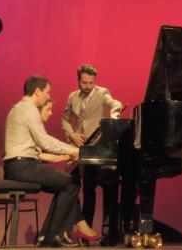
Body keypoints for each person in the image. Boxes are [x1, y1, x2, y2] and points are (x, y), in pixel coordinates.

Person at [3, 75, 100, 247]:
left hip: (19, 165)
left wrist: (69, 153)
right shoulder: (28, 108)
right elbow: (45, 142)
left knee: (64, 185)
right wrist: (75, 150)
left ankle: (46, 236)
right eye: (47, 92)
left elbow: (41, 148)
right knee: (71, 184)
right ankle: (52, 235)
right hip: (22, 165)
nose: (49, 96)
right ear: (38, 91)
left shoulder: (21, 108)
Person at [61, 64, 123, 240]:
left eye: (91, 82)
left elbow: (114, 102)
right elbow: (65, 119)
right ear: (78, 80)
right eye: (84, 82)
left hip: (95, 149)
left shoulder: (102, 93)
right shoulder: (72, 96)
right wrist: (72, 134)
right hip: (78, 147)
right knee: (71, 187)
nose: (87, 86)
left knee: (89, 191)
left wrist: (116, 108)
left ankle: (85, 233)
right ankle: (75, 228)